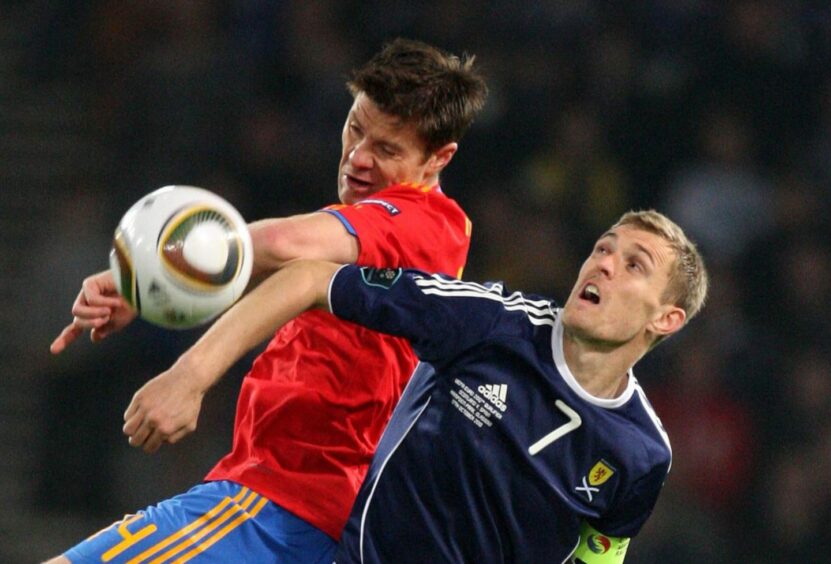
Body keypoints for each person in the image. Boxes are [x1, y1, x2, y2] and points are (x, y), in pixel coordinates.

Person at [46, 38, 487, 563]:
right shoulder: (389, 232)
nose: (358, 157)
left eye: (387, 150)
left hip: (286, 507)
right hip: (316, 517)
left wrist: (155, 291)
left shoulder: (420, 223)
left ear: (440, 157)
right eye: (355, 128)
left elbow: (283, 247)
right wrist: (144, 289)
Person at [133, 209, 707, 562]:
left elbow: (599, 555)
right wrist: (192, 375)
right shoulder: (487, 323)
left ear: (666, 319)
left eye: (635, 265)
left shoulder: (641, 454)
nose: (604, 263)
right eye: (603, 248)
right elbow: (310, 277)